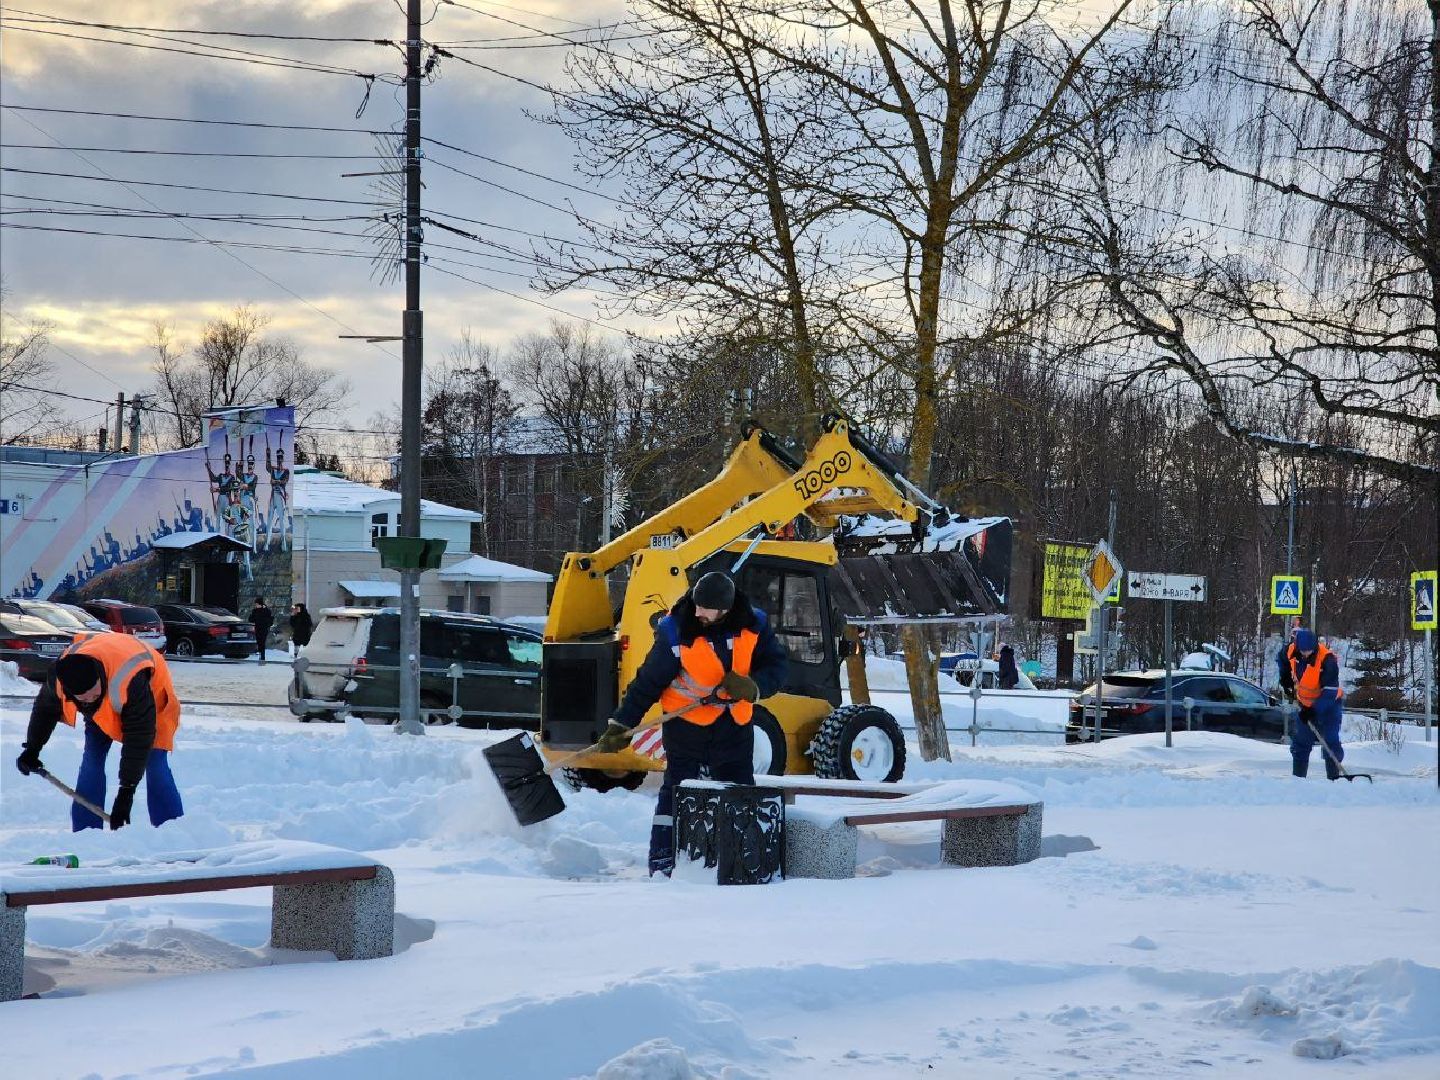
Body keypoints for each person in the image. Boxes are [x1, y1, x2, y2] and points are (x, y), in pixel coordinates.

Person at [593, 570, 788, 877]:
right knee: (677, 792)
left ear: (723, 609)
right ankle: (663, 862)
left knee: (738, 792)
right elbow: (648, 682)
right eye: (696, 605)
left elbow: (777, 666)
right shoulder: (676, 630)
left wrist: (755, 686)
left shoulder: (755, 625)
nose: (697, 612)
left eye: (705, 608)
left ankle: (738, 862)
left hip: (734, 725)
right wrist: (621, 724)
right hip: (686, 725)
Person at [14, 634, 184, 831]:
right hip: (102, 709)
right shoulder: (62, 676)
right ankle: (86, 831)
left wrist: (126, 791)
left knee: (154, 763)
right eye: (84, 699)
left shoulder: (130, 677)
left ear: (100, 676)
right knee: (92, 759)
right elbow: (45, 710)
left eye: (95, 694)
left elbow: (139, 736)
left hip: (153, 703)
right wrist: (32, 749)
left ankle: (171, 830)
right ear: (71, 694)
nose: (90, 699)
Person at [1279, 627, 1345, 779]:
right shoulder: (1291, 650)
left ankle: (1333, 779)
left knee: (1330, 740)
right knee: (1301, 742)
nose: (1306, 654)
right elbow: (1281, 659)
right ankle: (1298, 779)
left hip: (1329, 705)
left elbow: (1330, 691)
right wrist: (1285, 677)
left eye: (1309, 650)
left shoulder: (1327, 660)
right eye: (1303, 650)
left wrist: (1314, 710)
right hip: (1304, 705)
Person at [251, 597, 274, 665]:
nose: (256, 605)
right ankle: (261, 656)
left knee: (262, 642)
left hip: (264, 629)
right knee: (259, 642)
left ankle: (262, 658)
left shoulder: (266, 610)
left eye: (257, 604)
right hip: (258, 628)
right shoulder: (255, 611)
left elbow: (270, 620)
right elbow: (251, 619)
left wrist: (267, 624)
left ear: (260, 604)